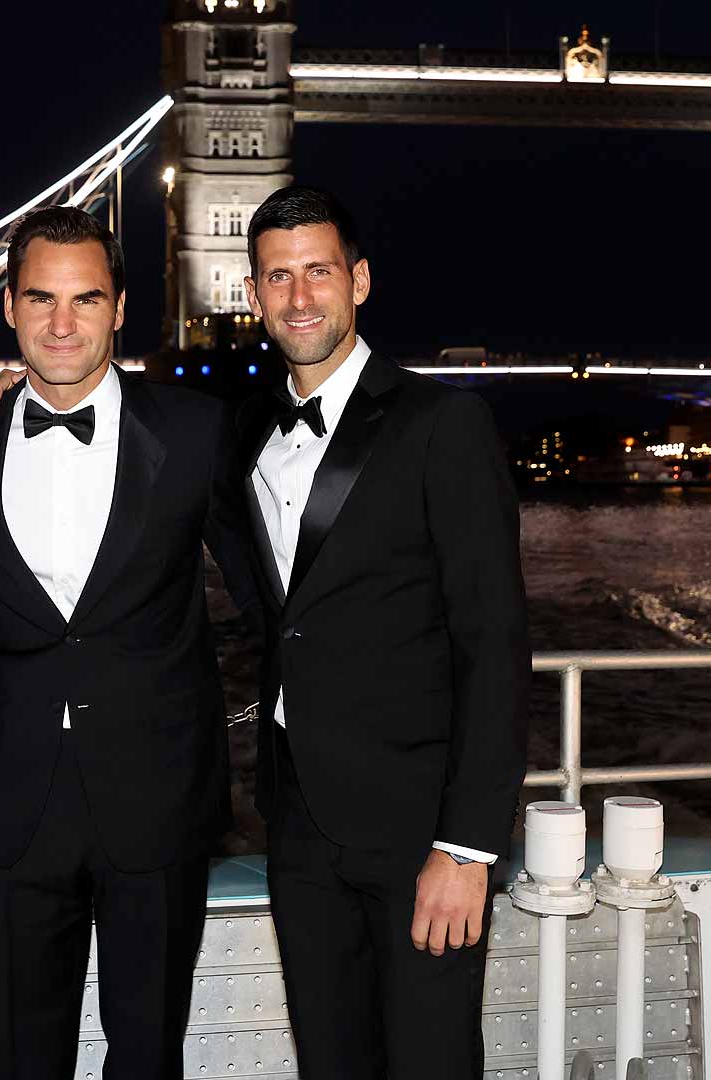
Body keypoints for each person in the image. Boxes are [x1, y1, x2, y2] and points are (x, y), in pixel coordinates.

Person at [0, 206, 260, 1079]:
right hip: (16, 802)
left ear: (120, 308)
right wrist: (3, 639)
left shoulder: (194, 431)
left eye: (85, 299)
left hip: (159, 801)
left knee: (146, 1056)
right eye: (41, 300)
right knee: (23, 1058)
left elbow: (267, 592)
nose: (62, 323)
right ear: (10, 312)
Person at [238, 184, 531, 1076]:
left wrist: (467, 846)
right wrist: (11, 385)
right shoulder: (240, 434)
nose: (299, 297)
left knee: (430, 1063)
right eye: (277, 277)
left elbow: (495, 644)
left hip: (419, 834)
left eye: (318, 272)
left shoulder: (442, 423)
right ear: (253, 296)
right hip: (297, 824)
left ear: (359, 281)